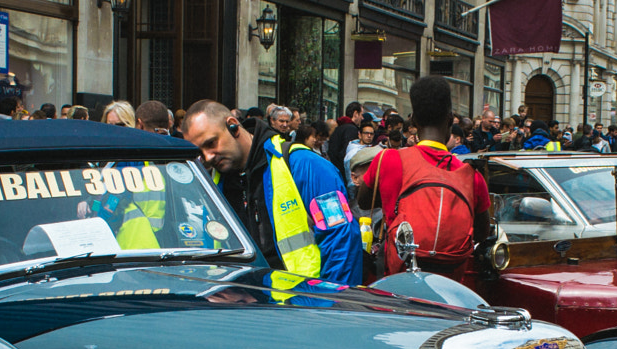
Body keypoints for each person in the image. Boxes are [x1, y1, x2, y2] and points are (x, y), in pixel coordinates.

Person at [185, 98, 362, 285]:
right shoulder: (215, 182)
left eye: (211, 143)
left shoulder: (303, 164)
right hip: (248, 304)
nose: (208, 156)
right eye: (200, 151)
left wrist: (328, 306)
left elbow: (342, 242)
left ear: (233, 126)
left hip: (304, 304)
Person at [360, 75, 489, 278]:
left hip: (397, 282)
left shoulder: (388, 159)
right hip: (449, 291)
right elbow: (482, 233)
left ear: (414, 121)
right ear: (450, 120)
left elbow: (364, 201)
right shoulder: (471, 176)